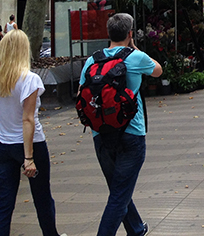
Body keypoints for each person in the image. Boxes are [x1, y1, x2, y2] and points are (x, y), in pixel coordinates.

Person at [79, 13, 162, 236]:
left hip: (100, 134)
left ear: (108, 33)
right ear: (130, 33)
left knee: (118, 189)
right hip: (131, 133)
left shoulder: (92, 60)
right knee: (119, 194)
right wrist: (134, 47)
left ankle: (135, 228)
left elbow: (80, 94)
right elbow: (158, 70)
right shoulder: (135, 57)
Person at [0, 30, 66, 236]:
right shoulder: (29, 79)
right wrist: (28, 157)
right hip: (31, 145)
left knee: (4, 201)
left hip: (4, 144)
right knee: (42, 197)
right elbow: (27, 119)